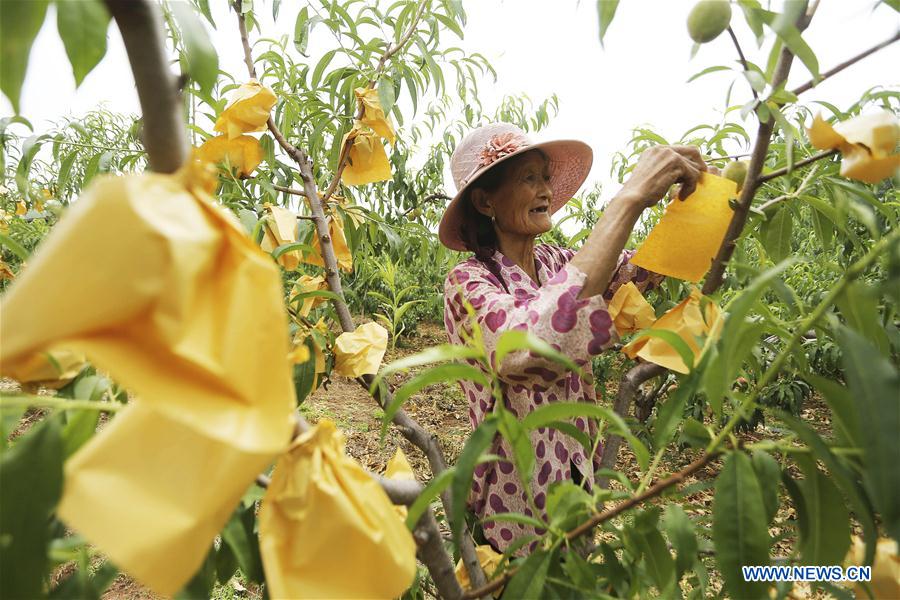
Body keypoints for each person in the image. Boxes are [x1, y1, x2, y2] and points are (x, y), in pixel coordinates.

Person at [440, 122, 710, 552]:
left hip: (577, 472)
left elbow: (642, 271)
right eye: (529, 178)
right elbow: (526, 347)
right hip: (514, 497)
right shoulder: (468, 281)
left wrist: (706, 205)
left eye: (546, 177)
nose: (545, 190)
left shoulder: (555, 261)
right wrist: (628, 199)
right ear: (485, 201)